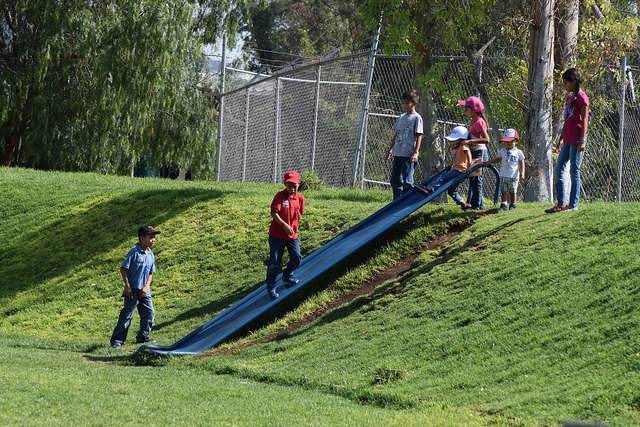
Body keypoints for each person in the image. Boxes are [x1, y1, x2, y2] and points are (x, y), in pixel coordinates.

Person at [546, 68, 590, 213]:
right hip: (567, 140)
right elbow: (567, 119)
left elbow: (584, 120)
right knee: (558, 170)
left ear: (574, 82)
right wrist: (560, 139)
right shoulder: (569, 98)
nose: (564, 85)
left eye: (566, 83)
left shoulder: (582, 98)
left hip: (577, 140)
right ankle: (560, 204)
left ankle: (573, 205)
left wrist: (582, 140)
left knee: (574, 171)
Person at [110, 225, 160, 349]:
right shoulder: (134, 252)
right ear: (142, 238)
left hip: (144, 291)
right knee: (127, 315)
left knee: (149, 314)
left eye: (154, 237)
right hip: (132, 291)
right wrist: (127, 286)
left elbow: (150, 273)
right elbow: (123, 268)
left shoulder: (151, 255)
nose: (153, 239)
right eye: (150, 237)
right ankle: (117, 341)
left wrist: (146, 287)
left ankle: (143, 337)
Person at [265, 171, 305, 300]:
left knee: (297, 257)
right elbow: (273, 212)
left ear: (298, 185)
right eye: (289, 186)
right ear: (285, 185)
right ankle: (271, 286)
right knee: (275, 262)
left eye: (294, 186)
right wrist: (284, 225)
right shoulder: (280, 196)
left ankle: (287, 276)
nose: (292, 189)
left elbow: (299, 215)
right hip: (277, 235)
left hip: (292, 236)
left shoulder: (300, 199)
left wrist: (294, 228)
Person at [414, 125, 472, 210]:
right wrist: (452, 164)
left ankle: (429, 188)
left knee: (443, 178)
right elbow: (458, 158)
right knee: (451, 191)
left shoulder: (463, 146)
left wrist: (469, 165)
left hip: (460, 170)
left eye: (455, 139)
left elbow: (468, 154)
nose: (453, 141)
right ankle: (463, 204)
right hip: (455, 168)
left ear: (461, 139)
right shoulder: (455, 147)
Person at [386, 89, 424, 200]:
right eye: (403, 102)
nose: (404, 105)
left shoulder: (417, 118)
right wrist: (390, 149)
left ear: (414, 103)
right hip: (398, 153)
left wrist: (415, 152)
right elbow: (396, 134)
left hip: (408, 155)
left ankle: (407, 201)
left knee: (407, 181)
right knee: (395, 179)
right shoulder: (402, 117)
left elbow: (419, 136)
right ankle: (396, 201)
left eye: (407, 103)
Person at [458, 96, 490, 209]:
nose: (465, 112)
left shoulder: (479, 121)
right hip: (474, 152)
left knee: (476, 179)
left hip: (479, 152)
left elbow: (487, 140)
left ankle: (477, 205)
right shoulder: (473, 121)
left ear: (474, 110)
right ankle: (475, 203)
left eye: (467, 109)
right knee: (472, 178)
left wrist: (470, 141)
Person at [485, 128, 525, 211]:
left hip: (514, 175)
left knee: (513, 191)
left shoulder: (518, 152)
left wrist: (522, 173)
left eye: (511, 141)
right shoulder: (502, 151)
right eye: (506, 141)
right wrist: (489, 162)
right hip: (503, 174)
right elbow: (498, 159)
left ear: (516, 141)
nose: (508, 143)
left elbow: (522, 162)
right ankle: (504, 204)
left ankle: (513, 204)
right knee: (504, 190)